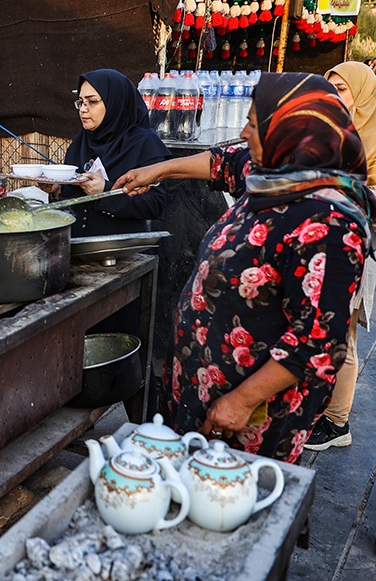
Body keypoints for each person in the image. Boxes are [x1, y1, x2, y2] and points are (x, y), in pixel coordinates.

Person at [116, 72, 375, 463]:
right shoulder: (273, 177)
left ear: (290, 131)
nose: (242, 131)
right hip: (204, 386)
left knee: (231, 505)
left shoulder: (328, 224)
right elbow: (223, 163)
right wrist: (159, 170)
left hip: (253, 416)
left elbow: (318, 344)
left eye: (253, 124)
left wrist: (240, 401)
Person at [304, 62, 376, 450]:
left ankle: (337, 423)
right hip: (319, 245)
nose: (333, 95)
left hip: (355, 250)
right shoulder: (329, 132)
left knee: (342, 334)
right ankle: (322, 406)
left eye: (342, 89)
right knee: (320, 328)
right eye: (328, 86)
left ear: (363, 96)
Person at [48, 69, 171, 237]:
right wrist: (57, 190)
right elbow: (75, 200)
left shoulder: (144, 143)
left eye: (92, 102)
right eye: (81, 102)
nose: (83, 109)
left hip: (123, 253)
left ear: (115, 102)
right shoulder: (82, 141)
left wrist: (106, 192)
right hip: (77, 250)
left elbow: (154, 205)